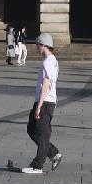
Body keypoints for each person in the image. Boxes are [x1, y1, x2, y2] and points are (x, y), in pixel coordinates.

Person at [18, 33, 62, 175]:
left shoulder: (48, 62)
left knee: (42, 134)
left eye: (37, 44)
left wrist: (39, 105)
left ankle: (37, 165)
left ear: (42, 45)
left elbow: (46, 84)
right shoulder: (53, 60)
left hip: (46, 101)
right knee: (32, 129)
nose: (36, 47)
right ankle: (54, 153)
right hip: (45, 101)